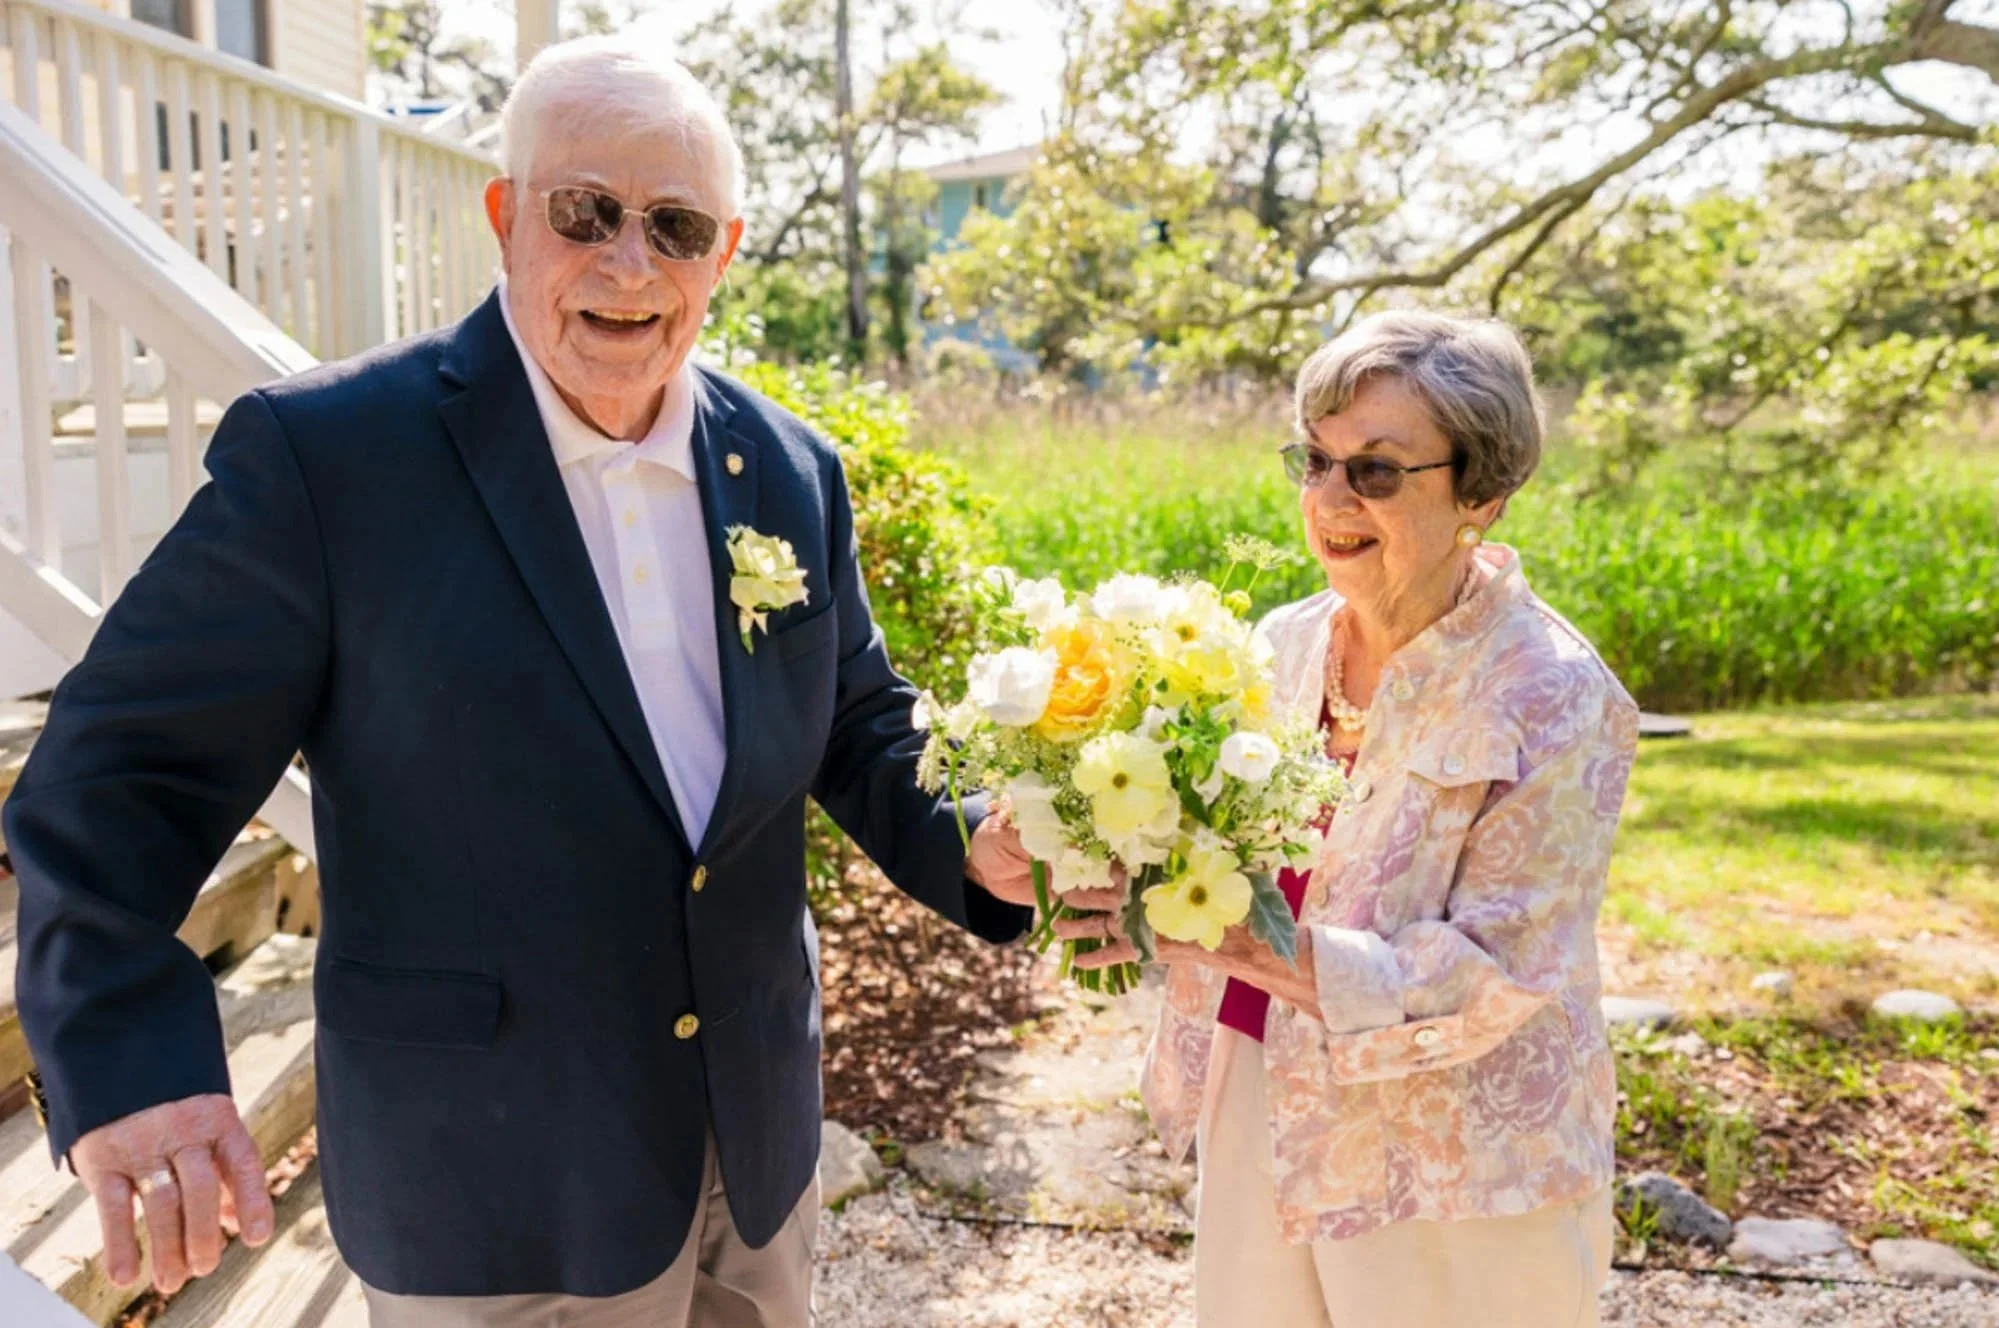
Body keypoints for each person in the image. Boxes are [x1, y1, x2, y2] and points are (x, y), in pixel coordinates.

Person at [6, 35, 1034, 1328]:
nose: (627, 263)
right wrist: (123, 1048)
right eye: (584, 212)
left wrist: (977, 839)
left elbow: (856, 723)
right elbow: (116, 774)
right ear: (505, 218)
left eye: (673, 226)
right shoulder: (330, 464)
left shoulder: (787, 471)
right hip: (492, 1190)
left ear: (723, 255)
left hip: (754, 1159)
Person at [1050, 311, 1640, 1327]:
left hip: (1456, 1162)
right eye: (1313, 460)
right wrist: (1127, 890)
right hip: (1257, 1092)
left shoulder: (1555, 693)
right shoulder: (1270, 647)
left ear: (1481, 493)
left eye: (1373, 470)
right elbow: (1204, 862)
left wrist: (1243, 940)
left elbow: (1500, 969)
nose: (1327, 498)